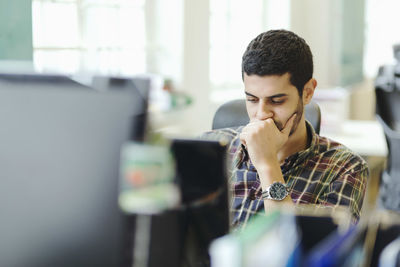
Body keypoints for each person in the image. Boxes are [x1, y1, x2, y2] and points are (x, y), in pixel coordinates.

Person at [202, 29, 368, 229]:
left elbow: (300, 254)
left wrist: (267, 165)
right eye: (252, 99)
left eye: (276, 100)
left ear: (307, 93)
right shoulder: (210, 146)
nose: (262, 114)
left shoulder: (344, 169)